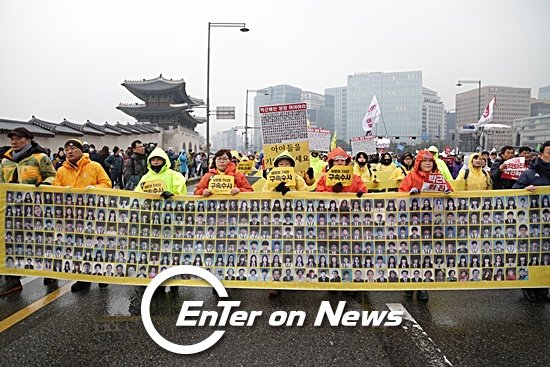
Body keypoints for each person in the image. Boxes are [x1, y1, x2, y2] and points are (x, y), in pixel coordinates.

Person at [0, 128, 57, 296]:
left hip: (36, 209)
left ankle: (51, 272)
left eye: (18, 138)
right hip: (12, 210)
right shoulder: (5, 161)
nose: (14, 141)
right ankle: (12, 280)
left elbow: (52, 176)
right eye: (12, 139)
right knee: (11, 243)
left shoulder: (40, 157)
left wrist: (46, 184)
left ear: (28, 140)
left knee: (42, 241)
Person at [53, 139, 112, 292]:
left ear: (81, 150)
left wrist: (94, 188)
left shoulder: (94, 166)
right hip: (73, 216)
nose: (69, 152)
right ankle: (83, 279)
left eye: (72, 148)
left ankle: (102, 275)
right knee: (79, 247)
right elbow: (55, 191)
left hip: (95, 214)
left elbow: (107, 184)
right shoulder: (61, 170)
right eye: (66, 149)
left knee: (98, 245)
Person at [513, 141, 550, 302]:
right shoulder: (529, 173)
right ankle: (530, 287)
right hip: (533, 222)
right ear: (541, 154)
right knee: (533, 253)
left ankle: (543, 288)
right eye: (549, 153)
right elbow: (514, 191)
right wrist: (525, 190)